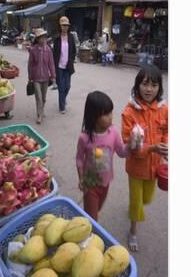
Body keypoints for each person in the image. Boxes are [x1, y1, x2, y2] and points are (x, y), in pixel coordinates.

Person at [121, 65, 168, 252]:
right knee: (136, 202)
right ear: (137, 85)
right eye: (145, 84)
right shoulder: (129, 112)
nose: (149, 89)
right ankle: (132, 231)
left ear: (159, 88)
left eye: (154, 85)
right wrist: (152, 148)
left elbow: (167, 130)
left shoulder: (164, 109)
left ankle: (135, 208)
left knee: (147, 198)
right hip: (136, 168)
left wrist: (165, 145)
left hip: (155, 166)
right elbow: (128, 143)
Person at [76, 91, 130, 222]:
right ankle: (89, 231)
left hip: (106, 182)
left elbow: (122, 152)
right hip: (90, 183)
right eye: (106, 114)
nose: (111, 117)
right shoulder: (84, 138)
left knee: (96, 209)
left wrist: (132, 145)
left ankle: (87, 218)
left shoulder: (114, 133)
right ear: (93, 117)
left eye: (110, 112)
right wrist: (81, 178)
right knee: (93, 218)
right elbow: (79, 159)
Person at [28, 28, 56, 124]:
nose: (43, 40)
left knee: (43, 98)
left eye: (44, 37)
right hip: (36, 78)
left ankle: (41, 110)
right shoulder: (33, 50)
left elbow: (51, 64)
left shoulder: (48, 50)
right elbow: (30, 65)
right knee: (38, 98)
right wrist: (30, 77)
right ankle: (39, 115)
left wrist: (53, 76)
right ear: (37, 39)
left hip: (45, 78)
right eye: (41, 38)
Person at [53, 16, 77, 113]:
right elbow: (54, 53)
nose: (65, 27)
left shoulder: (71, 37)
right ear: (60, 26)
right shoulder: (57, 38)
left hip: (68, 66)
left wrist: (72, 59)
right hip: (59, 66)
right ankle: (62, 107)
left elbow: (74, 50)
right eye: (63, 25)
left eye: (67, 25)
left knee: (68, 86)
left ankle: (62, 99)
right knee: (61, 87)